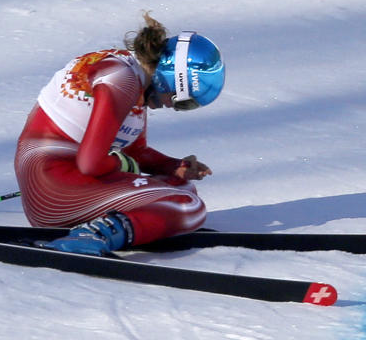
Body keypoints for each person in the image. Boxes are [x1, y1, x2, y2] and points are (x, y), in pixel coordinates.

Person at [14, 13, 225, 255]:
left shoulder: (134, 78)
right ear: (170, 80)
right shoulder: (122, 80)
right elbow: (90, 164)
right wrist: (123, 163)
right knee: (190, 206)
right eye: (182, 101)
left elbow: (135, 151)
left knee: (182, 187)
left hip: (67, 181)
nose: (172, 107)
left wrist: (174, 166)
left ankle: (128, 224)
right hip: (54, 194)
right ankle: (94, 235)